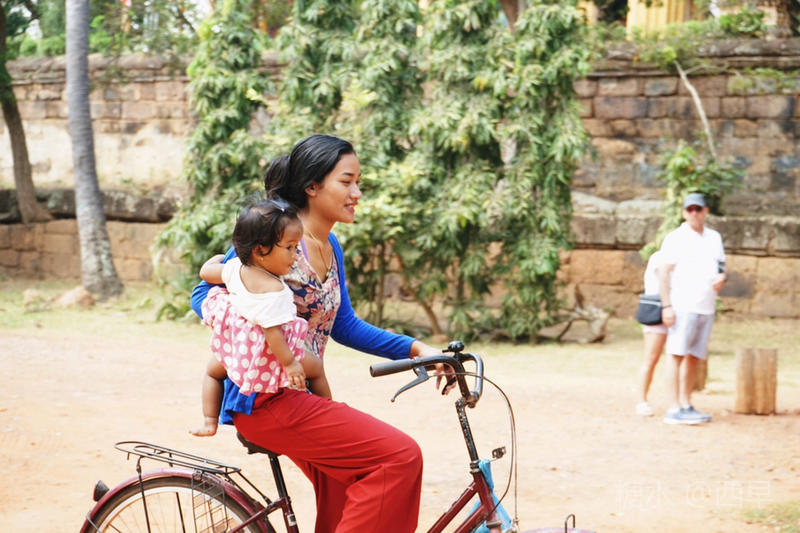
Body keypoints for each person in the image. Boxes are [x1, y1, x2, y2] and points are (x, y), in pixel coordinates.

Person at [190, 134, 444, 533]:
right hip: (264, 399)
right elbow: (204, 292)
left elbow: (345, 325)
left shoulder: (329, 245)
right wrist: (263, 335)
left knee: (347, 493)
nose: (357, 193)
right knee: (398, 457)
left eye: (359, 182)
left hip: (300, 395)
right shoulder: (279, 239)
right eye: (347, 181)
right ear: (312, 186)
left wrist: (417, 349)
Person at [190, 198, 332, 438]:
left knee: (213, 372)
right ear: (259, 251)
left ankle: (209, 420)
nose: (296, 254)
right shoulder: (273, 290)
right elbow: (272, 333)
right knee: (316, 368)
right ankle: (329, 411)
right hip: (269, 354)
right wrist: (290, 363)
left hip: (237, 348)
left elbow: (206, 272)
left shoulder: (235, 269)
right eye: (289, 248)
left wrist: (216, 259)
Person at [658, 192, 726, 425]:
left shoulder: (714, 237)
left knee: (694, 357)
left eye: (698, 209)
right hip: (682, 305)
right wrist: (666, 305)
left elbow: (721, 266)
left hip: (706, 305)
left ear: (706, 211)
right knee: (676, 354)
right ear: (684, 213)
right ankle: (673, 407)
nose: (694, 213)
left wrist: (722, 278)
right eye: (690, 209)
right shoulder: (676, 238)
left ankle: (686, 403)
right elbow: (663, 272)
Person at [635, 250, 667, 416]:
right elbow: (664, 279)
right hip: (657, 310)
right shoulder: (661, 257)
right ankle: (642, 400)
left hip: (679, 312)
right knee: (651, 359)